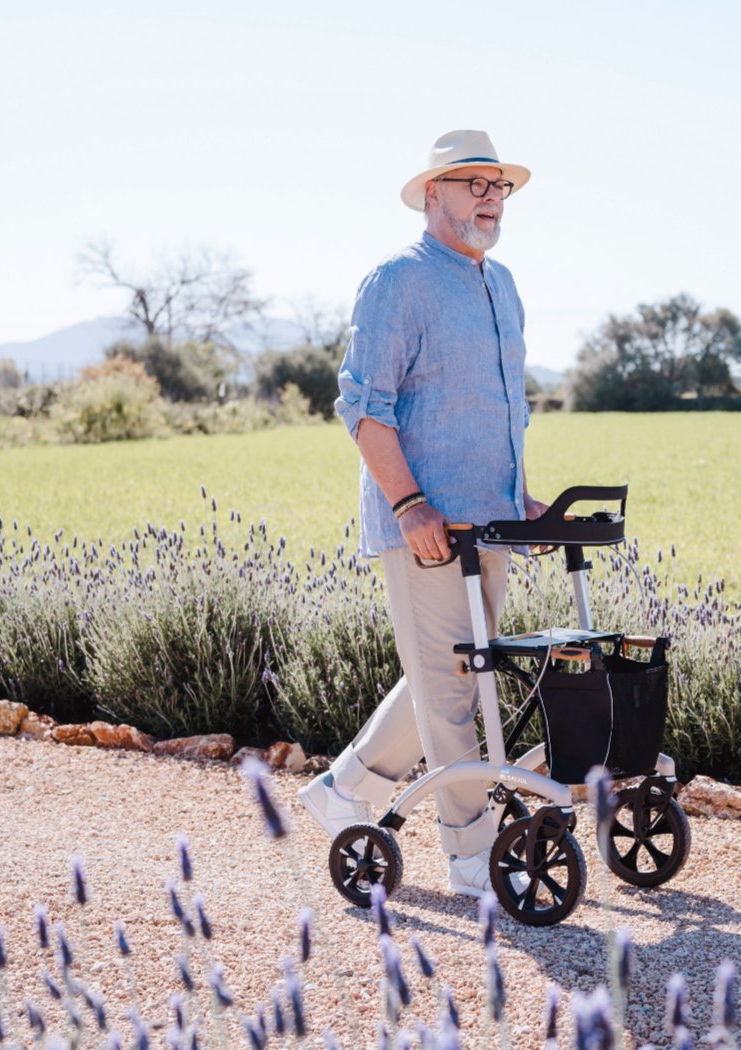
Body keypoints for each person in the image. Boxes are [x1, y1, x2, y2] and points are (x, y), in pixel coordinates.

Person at [298, 130, 546, 897]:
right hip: (426, 526)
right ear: (432, 193)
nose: (491, 197)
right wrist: (408, 503)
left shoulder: (501, 283)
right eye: (474, 184)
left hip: (489, 522)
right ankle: (472, 852)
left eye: (499, 186)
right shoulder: (398, 280)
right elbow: (363, 406)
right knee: (449, 686)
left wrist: (523, 498)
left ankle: (346, 790)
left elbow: (504, 411)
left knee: (456, 676)